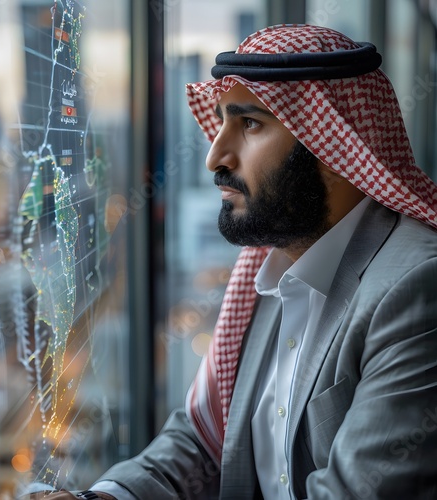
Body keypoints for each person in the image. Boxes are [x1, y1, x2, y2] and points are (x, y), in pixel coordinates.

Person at [30, 24, 437, 499]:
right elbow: (204, 443)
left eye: (250, 124)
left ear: (333, 149)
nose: (215, 156)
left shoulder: (414, 286)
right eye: (222, 121)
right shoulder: (273, 266)